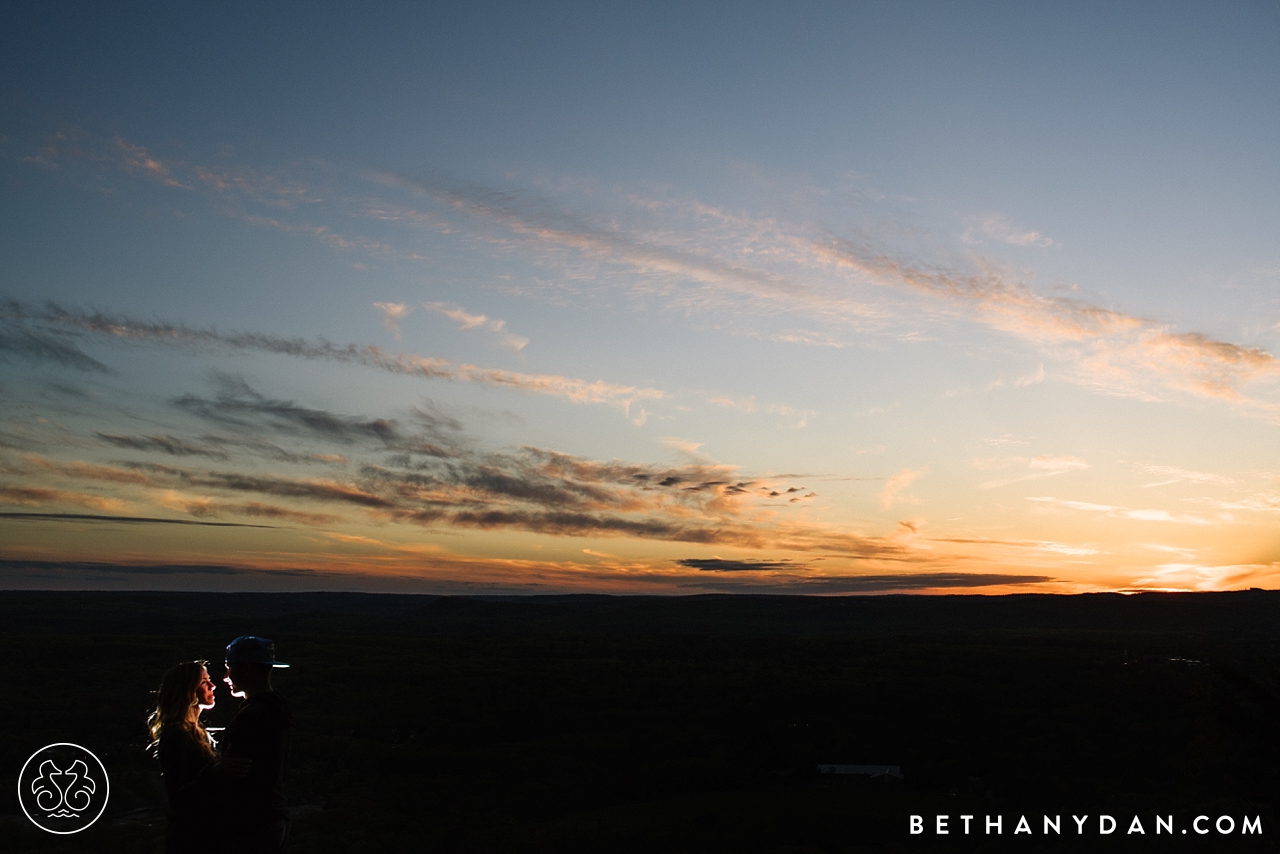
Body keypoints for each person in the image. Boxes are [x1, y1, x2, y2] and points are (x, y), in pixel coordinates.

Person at [148, 661, 248, 854]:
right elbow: (178, 798)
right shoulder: (176, 735)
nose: (213, 686)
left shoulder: (196, 732)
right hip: (190, 841)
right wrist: (216, 773)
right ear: (187, 690)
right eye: (204, 682)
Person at [219, 636, 293, 853]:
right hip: (273, 817)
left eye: (229, 668)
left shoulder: (251, 717)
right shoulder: (279, 709)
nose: (225, 678)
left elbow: (235, 778)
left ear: (246, 669)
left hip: (251, 825)